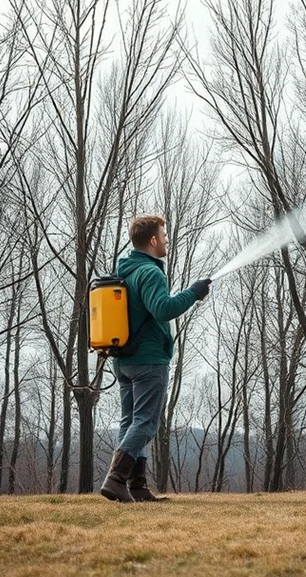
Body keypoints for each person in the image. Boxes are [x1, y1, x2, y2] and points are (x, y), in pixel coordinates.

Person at [100, 214, 210, 502]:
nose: (166, 241)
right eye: (164, 236)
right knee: (146, 423)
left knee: (131, 422)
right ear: (152, 240)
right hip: (149, 360)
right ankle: (116, 479)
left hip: (124, 361)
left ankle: (136, 487)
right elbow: (163, 308)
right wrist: (193, 293)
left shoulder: (126, 270)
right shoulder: (150, 273)